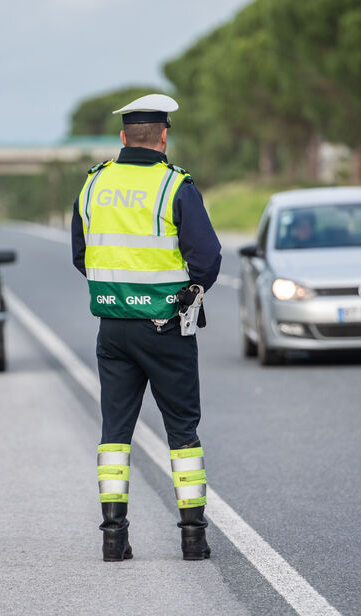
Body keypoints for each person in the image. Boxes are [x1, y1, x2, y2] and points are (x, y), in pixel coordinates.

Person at [71, 94, 221, 561]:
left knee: (115, 433)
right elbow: (208, 257)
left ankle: (113, 538)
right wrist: (188, 289)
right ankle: (193, 539)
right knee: (182, 432)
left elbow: (81, 255)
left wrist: (122, 290)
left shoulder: (94, 184)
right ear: (163, 137)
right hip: (166, 328)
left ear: (123, 137)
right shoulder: (175, 186)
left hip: (113, 328)